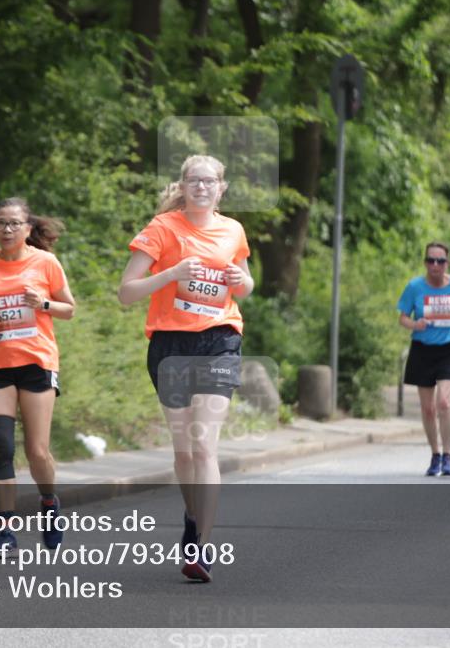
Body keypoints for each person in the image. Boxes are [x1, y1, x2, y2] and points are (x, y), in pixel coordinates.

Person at [118, 154, 254, 582]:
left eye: (209, 181)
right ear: (183, 185)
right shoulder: (162, 229)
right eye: (194, 180)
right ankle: (193, 518)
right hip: (171, 344)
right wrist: (171, 273)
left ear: (221, 188)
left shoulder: (233, 230)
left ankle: (200, 546)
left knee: (202, 446)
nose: (201, 187)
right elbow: (126, 292)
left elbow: (247, 285)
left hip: (219, 339)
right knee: (183, 451)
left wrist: (239, 282)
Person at [0, 197, 77, 555]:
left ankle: (48, 502)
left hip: (36, 363)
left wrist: (41, 304)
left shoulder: (45, 263)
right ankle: (5, 533)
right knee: (1, 447)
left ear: (28, 229)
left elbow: (69, 309)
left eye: (14, 223)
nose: (7, 229)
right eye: (1, 223)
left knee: (37, 451)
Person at [397, 242, 450, 477]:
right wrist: (414, 324)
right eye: (431, 260)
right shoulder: (415, 287)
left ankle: (448, 455)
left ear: (447, 263)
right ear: (425, 263)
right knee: (428, 409)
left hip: (449, 350)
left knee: (444, 402)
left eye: (440, 261)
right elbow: (402, 317)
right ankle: (435, 455)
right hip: (422, 350)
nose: (435, 265)